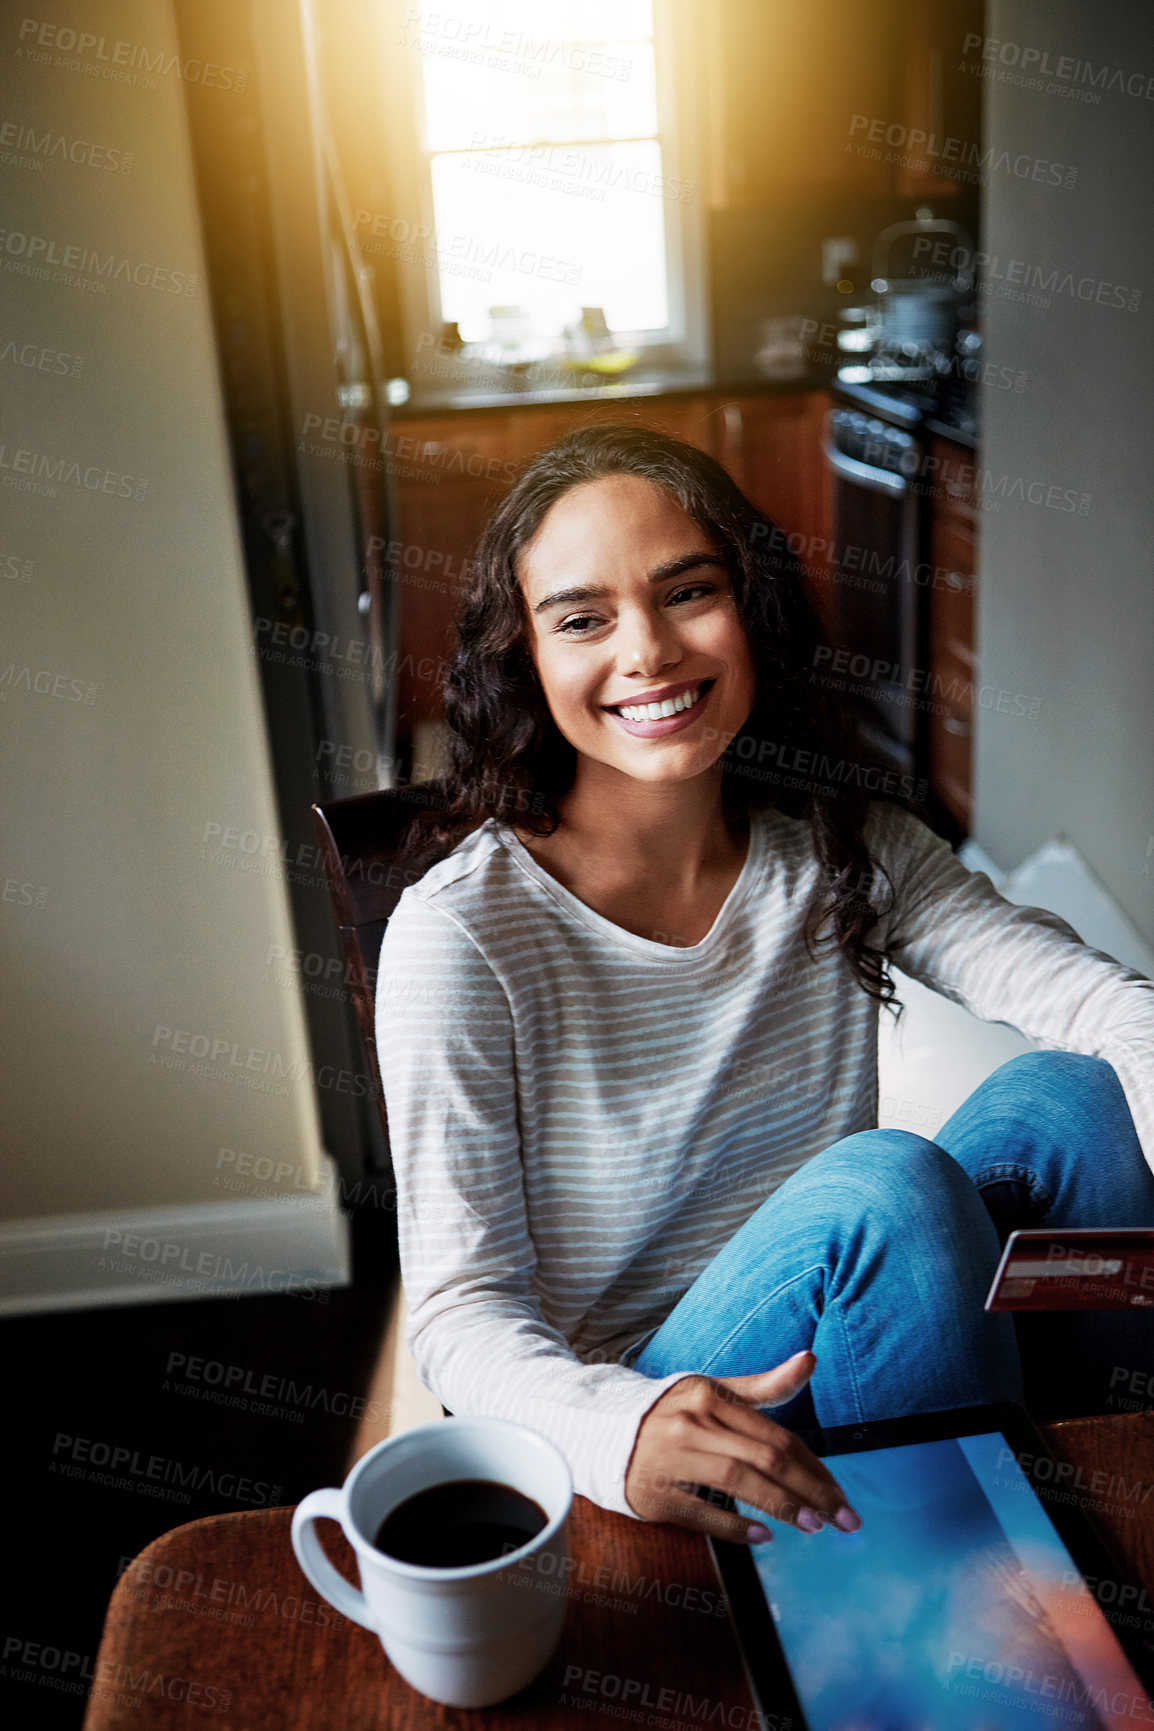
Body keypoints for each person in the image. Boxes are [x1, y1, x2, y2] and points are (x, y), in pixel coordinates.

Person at [375, 423, 1154, 1548]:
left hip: (863, 1292)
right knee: (885, 1193)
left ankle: (1099, 1511)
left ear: (752, 610)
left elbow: (1096, 1004)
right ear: (526, 661)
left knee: (1074, 1099)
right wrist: (620, 1426)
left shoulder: (842, 843)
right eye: (582, 618)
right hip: (657, 1388)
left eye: (686, 591)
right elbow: (459, 1318)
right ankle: (953, 1590)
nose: (644, 651)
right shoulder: (464, 935)